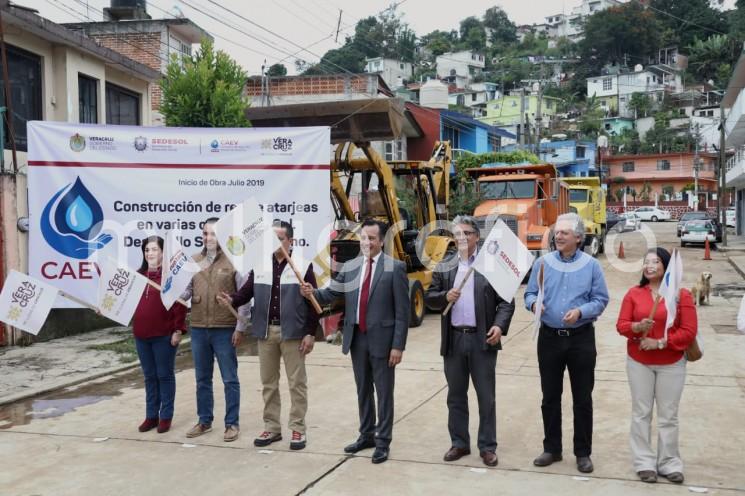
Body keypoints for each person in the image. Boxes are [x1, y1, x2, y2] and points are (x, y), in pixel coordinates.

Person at [301, 219, 409, 464]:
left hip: (383, 341)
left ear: (381, 241)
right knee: (363, 391)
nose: (366, 242)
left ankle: (383, 441)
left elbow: (402, 312)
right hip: (357, 339)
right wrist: (312, 292)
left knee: (384, 392)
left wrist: (398, 346)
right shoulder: (350, 267)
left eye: (371, 238)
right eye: (363, 238)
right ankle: (366, 435)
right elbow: (331, 293)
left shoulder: (395, 268)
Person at [217, 220, 319, 450]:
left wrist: (310, 333)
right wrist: (231, 299)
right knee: (269, 384)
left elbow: (314, 303)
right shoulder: (261, 264)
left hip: (293, 333)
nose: (275, 242)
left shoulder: (302, 265)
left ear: (290, 241)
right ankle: (272, 428)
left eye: (280, 238)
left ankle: (297, 429)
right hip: (265, 332)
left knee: (296, 384)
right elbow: (245, 292)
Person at [424, 216, 515, 467]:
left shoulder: (490, 265)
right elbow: (430, 297)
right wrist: (445, 296)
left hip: (481, 340)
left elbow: (506, 302)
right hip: (454, 340)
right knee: (455, 395)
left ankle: (487, 446)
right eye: (458, 233)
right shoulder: (445, 265)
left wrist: (498, 325)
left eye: (466, 233)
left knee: (486, 397)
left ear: (476, 237)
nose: (462, 238)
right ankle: (459, 443)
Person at [524, 212, 609, 474]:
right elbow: (529, 294)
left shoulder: (592, 265)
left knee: (582, 398)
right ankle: (552, 449)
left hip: (581, 339)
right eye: (556, 232)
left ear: (579, 238)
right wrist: (534, 303)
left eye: (564, 232)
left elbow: (601, 299)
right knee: (550, 397)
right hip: (549, 338)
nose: (558, 236)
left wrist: (581, 312)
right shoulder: (543, 263)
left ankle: (582, 453)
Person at [616, 248, 697, 484]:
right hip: (639, 362)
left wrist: (660, 342)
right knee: (641, 413)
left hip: (671, 363)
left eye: (656, 261)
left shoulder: (681, 296)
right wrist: (638, 327)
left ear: (667, 266)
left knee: (668, 416)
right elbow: (622, 325)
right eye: (646, 261)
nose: (649, 265)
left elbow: (689, 331)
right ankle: (644, 463)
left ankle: (669, 462)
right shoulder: (634, 293)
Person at [183, 217, 247, 442]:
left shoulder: (233, 261)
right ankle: (204, 421)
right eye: (205, 234)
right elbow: (186, 293)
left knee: (229, 379)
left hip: (224, 329)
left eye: (212, 234)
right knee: (202, 379)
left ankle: (232, 423)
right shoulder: (194, 261)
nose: (208, 238)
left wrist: (240, 327)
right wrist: (172, 292)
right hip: (199, 328)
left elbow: (244, 298)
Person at [132, 236, 187, 434]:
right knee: (149, 377)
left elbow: (180, 305)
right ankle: (151, 415)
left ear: (162, 253)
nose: (150, 253)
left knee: (164, 375)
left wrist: (178, 330)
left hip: (164, 335)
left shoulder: (169, 276)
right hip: (141, 335)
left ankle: (166, 416)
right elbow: (125, 303)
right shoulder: (138, 276)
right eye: (147, 250)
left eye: (154, 249)